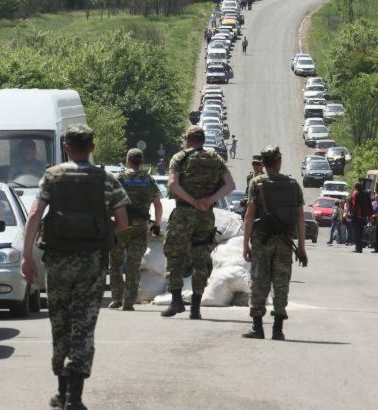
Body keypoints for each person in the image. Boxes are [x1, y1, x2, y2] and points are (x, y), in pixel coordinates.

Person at [20, 124, 130, 410]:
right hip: (92, 263)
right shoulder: (105, 178)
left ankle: (61, 391)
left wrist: (26, 256)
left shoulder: (52, 176)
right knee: (84, 325)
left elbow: (34, 215)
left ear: (66, 146)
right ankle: (75, 398)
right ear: (91, 147)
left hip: (58, 261)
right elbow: (123, 221)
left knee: (61, 323)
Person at [161, 126, 235, 320]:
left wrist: (192, 201)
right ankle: (195, 307)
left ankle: (176, 301)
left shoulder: (180, 158)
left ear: (188, 139)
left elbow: (172, 184)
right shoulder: (216, 159)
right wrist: (209, 200)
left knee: (175, 255)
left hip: (184, 213)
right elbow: (230, 185)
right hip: (206, 216)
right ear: (202, 140)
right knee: (200, 260)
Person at [242, 145, 307, 341]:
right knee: (281, 284)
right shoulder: (293, 185)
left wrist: (245, 243)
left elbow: (249, 215)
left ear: (263, 163)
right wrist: (302, 247)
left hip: (261, 241)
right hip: (285, 242)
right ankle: (278, 329)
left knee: (259, 282)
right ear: (279, 162)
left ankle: (258, 328)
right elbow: (300, 218)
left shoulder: (256, 183)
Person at [109, 149, 163, 311]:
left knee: (116, 264)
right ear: (141, 161)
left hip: (119, 227)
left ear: (128, 160)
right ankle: (129, 301)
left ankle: (116, 298)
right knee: (134, 265)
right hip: (140, 228)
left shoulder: (119, 179)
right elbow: (158, 206)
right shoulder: (148, 179)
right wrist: (157, 224)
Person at [350, 182, 373, 253]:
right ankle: (360, 247)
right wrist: (369, 216)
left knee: (357, 232)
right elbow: (370, 205)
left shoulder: (355, 194)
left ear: (355, 187)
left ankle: (358, 248)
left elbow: (354, 205)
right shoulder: (366, 194)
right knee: (361, 232)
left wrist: (351, 213)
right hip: (364, 216)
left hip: (356, 215)